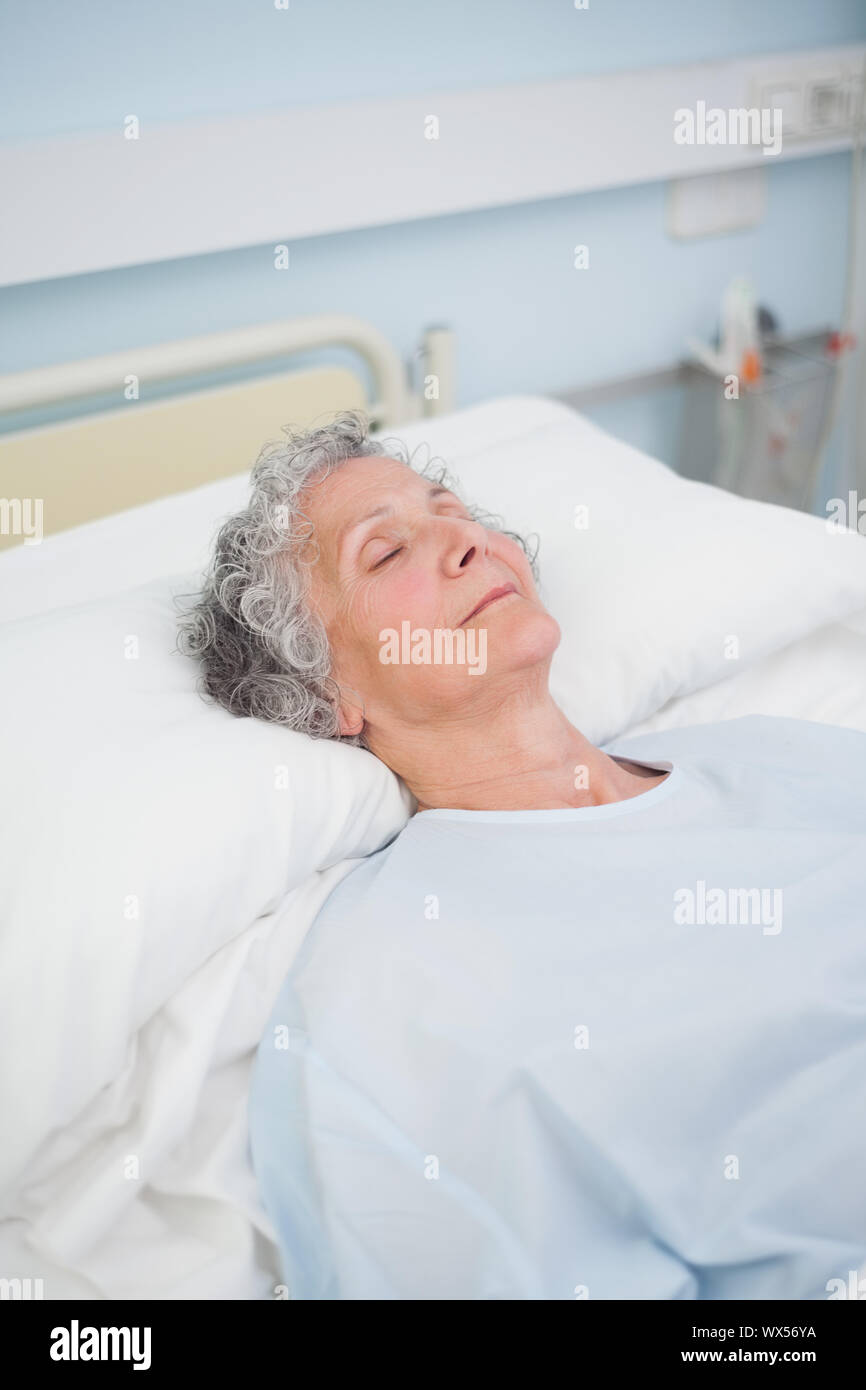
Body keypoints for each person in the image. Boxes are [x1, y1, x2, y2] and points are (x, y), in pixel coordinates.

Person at [178, 411, 866, 1300]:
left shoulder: (778, 752)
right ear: (323, 692)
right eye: (384, 554)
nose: (465, 541)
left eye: (454, 510)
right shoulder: (395, 995)